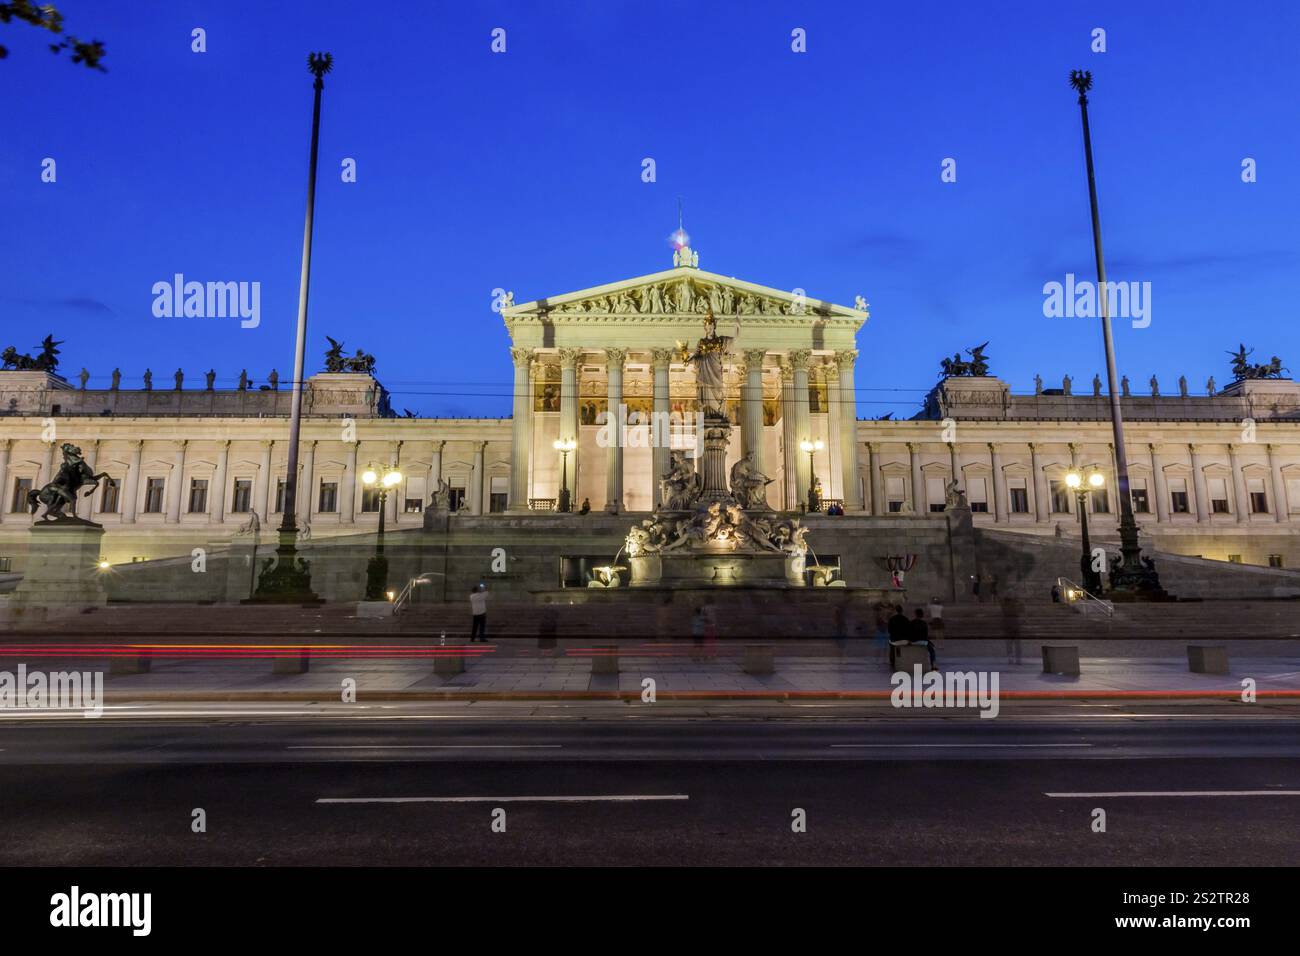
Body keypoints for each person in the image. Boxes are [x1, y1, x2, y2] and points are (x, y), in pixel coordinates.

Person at [887, 604, 911, 669]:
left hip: (894, 639)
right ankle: (900, 658)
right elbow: (909, 630)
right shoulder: (906, 619)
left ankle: (893, 661)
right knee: (899, 644)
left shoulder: (892, 619)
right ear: (902, 611)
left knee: (892, 645)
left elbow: (889, 630)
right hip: (904, 640)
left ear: (895, 611)